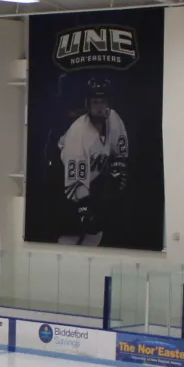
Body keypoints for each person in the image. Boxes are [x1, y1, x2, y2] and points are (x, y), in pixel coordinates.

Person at [54, 76, 129, 246]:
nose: (100, 107)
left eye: (103, 101)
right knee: (70, 236)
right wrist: (84, 207)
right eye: (95, 102)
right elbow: (74, 184)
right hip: (64, 183)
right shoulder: (78, 134)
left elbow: (120, 153)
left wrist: (118, 169)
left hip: (93, 181)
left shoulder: (114, 119)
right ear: (87, 104)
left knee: (96, 229)